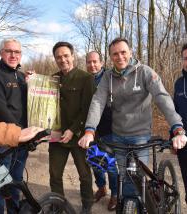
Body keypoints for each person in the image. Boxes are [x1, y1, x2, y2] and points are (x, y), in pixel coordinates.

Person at [78, 38, 187, 198]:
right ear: (110, 57)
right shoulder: (107, 77)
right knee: (124, 177)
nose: (120, 57)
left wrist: (177, 127)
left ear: (130, 52)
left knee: (137, 178)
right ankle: (129, 205)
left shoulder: (145, 72)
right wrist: (89, 130)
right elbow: (97, 102)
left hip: (140, 136)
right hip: (118, 135)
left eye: (123, 52)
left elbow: (162, 99)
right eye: (115, 54)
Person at [0, 38, 29, 214]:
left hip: (21, 140)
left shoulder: (22, 77)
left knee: (16, 181)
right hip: (0, 141)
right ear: (1, 53)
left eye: (17, 52)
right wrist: (21, 132)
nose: (13, 55)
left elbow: (30, 104)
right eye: (9, 51)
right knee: (0, 185)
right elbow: (0, 110)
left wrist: (33, 84)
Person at [49, 41, 95, 214]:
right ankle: (57, 205)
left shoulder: (86, 78)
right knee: (55, 175)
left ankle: (87, 203)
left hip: (79, 136)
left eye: (66, 55)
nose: (63, 60)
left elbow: (88, 109)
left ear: (73, 56)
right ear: (55, 59)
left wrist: (73, 130)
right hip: (57, 136)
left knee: (84, 174)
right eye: (58, 57)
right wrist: (31, 80)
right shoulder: (52, 79)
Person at [86, 51, 117, 211]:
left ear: (101, 62)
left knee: (110, 165)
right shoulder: (85, 80)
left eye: (95, 62)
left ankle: (115, 194)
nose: (92, 65)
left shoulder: (110, 78)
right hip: (91, 131)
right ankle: (101, 188)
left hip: (109, 129)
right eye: (89, 62)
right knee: (95, 163)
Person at [174, 43, 187, 204]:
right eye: (185, 58)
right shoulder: (178, 83)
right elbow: (174, 112)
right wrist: (175, 135)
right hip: (183, 141)